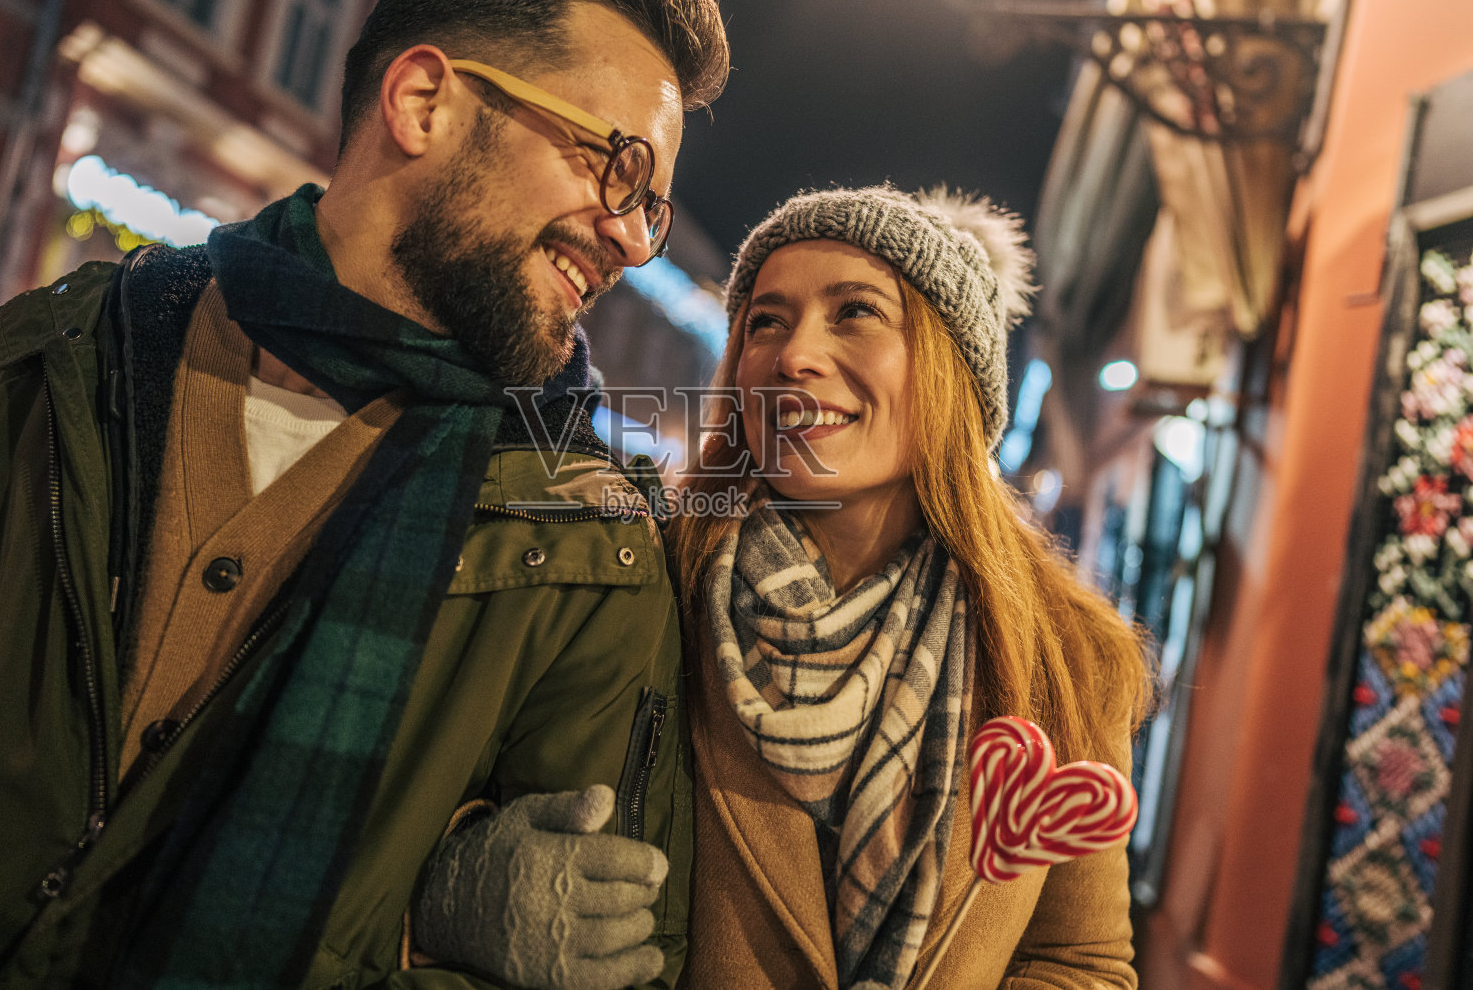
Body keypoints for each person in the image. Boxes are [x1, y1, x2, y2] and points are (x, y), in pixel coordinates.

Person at [0, 0, 727, 989]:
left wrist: (416, 938)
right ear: (422, 103)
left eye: (648, 204)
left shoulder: (592, 541)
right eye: (614, 165)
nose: (631, 238)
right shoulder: (55, 355)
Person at [428, 185, 1152, 988]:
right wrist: (461, 891)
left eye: (856, 312)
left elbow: (1079, 959)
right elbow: (416, 821)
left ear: (953, 373)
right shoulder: (637, 580)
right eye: (765, 321)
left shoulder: (1063, 655)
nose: (794, 355)